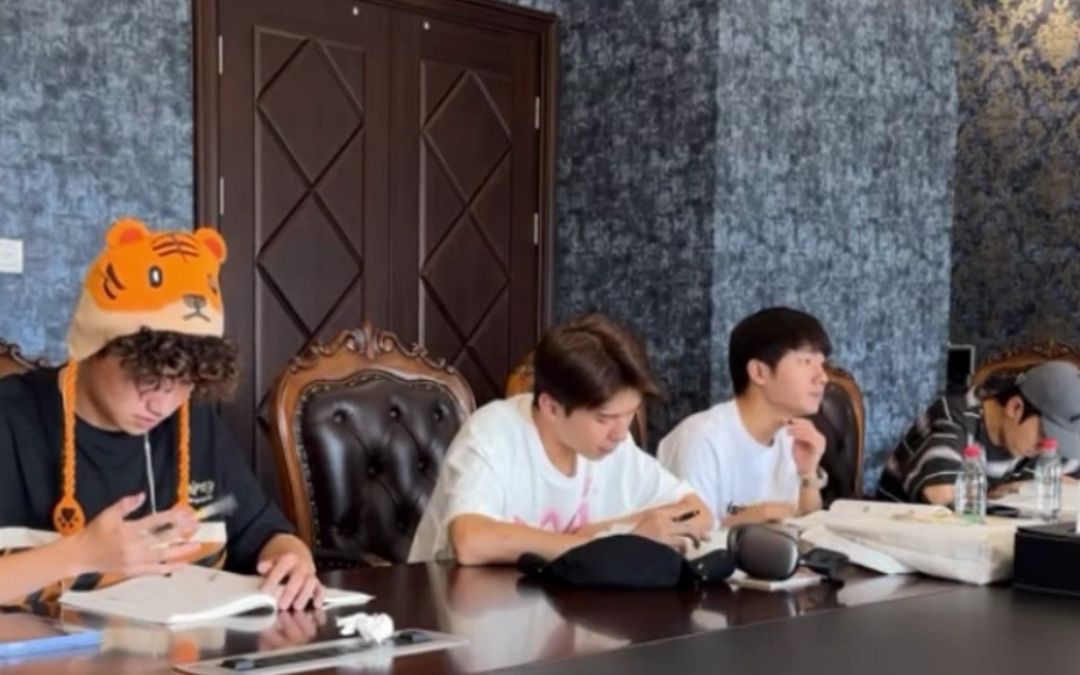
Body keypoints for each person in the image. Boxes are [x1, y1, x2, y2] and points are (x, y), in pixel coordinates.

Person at [0, 217, 320, 609]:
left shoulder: (193, 424)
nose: (162, 405)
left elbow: (263, 532)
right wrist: (79, 554)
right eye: (146, 378)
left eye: (184, 381)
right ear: (93, 348)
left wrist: (293, 558)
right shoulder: (11, 419)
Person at [408, 313, 713, 564]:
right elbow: (471, 541)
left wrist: (606, 533)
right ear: (551, 407)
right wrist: (617, 543)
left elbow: (698, 512)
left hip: (557, 609)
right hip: (454, 610)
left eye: (630, 413)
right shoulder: (492, 433)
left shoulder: (615, 447)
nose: (621, 433)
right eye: (604, 418)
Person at [658, 307, 831, 525]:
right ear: (759, 372)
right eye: (806, 362)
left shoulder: (790, 437)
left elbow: (809, 527)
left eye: (822, 364)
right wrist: (748, 518)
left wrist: (808, 474)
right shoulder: (700, 439)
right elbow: (685, 532)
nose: (823, 377)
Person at [877, 360, 1080, 504]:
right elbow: (942, 498)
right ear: (1015, 408)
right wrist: (1019, 489)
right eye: (1045, 434)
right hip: (893, 544)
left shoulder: (1031, 442)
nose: (1046, 448)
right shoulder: (953, 418)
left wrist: (1018, 488)